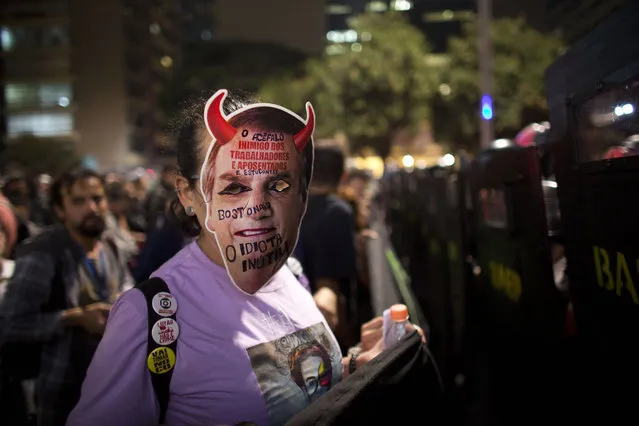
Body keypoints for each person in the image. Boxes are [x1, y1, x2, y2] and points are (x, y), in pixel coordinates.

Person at [67, 89, 414, 426]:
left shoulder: (291, 274)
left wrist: (359, 365)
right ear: (188, 194)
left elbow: (302, 394)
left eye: (278, 185)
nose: (258, 209)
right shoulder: (148, 314)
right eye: (233, 187)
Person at [0, 168, 134, 426]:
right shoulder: (43, 254)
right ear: (60, 210)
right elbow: (10, 324)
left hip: (112, 384)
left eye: (97, 198)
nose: (92, 207)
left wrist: (124, 303)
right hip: (62, 391)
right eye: (78, 201)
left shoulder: (109, 244)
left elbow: (126, 285)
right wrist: (71, 319)